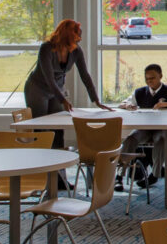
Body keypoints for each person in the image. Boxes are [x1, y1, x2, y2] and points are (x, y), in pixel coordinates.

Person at [24, 19, 110, 150]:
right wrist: (63, 100)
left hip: (57, 89)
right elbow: (49, 78)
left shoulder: (76, 51)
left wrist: (96, 100)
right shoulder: (46, 48)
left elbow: (85, 75)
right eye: (78, 35)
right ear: (68, 36)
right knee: (40, 126)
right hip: (38, 89)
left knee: (58, 126)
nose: (80, 39)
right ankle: (41, 161)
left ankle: (59, 164)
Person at [115, 64, 167, 191]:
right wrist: (128, 105)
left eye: (152, 78)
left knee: (161, 140)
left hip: (164, 128)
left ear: (160, 76)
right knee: (130, 140)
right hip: (145, 128)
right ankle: (119, 176)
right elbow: (122, 103)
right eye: (147, 79)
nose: (149, 81)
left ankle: (155, 174)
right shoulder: (139, 92)